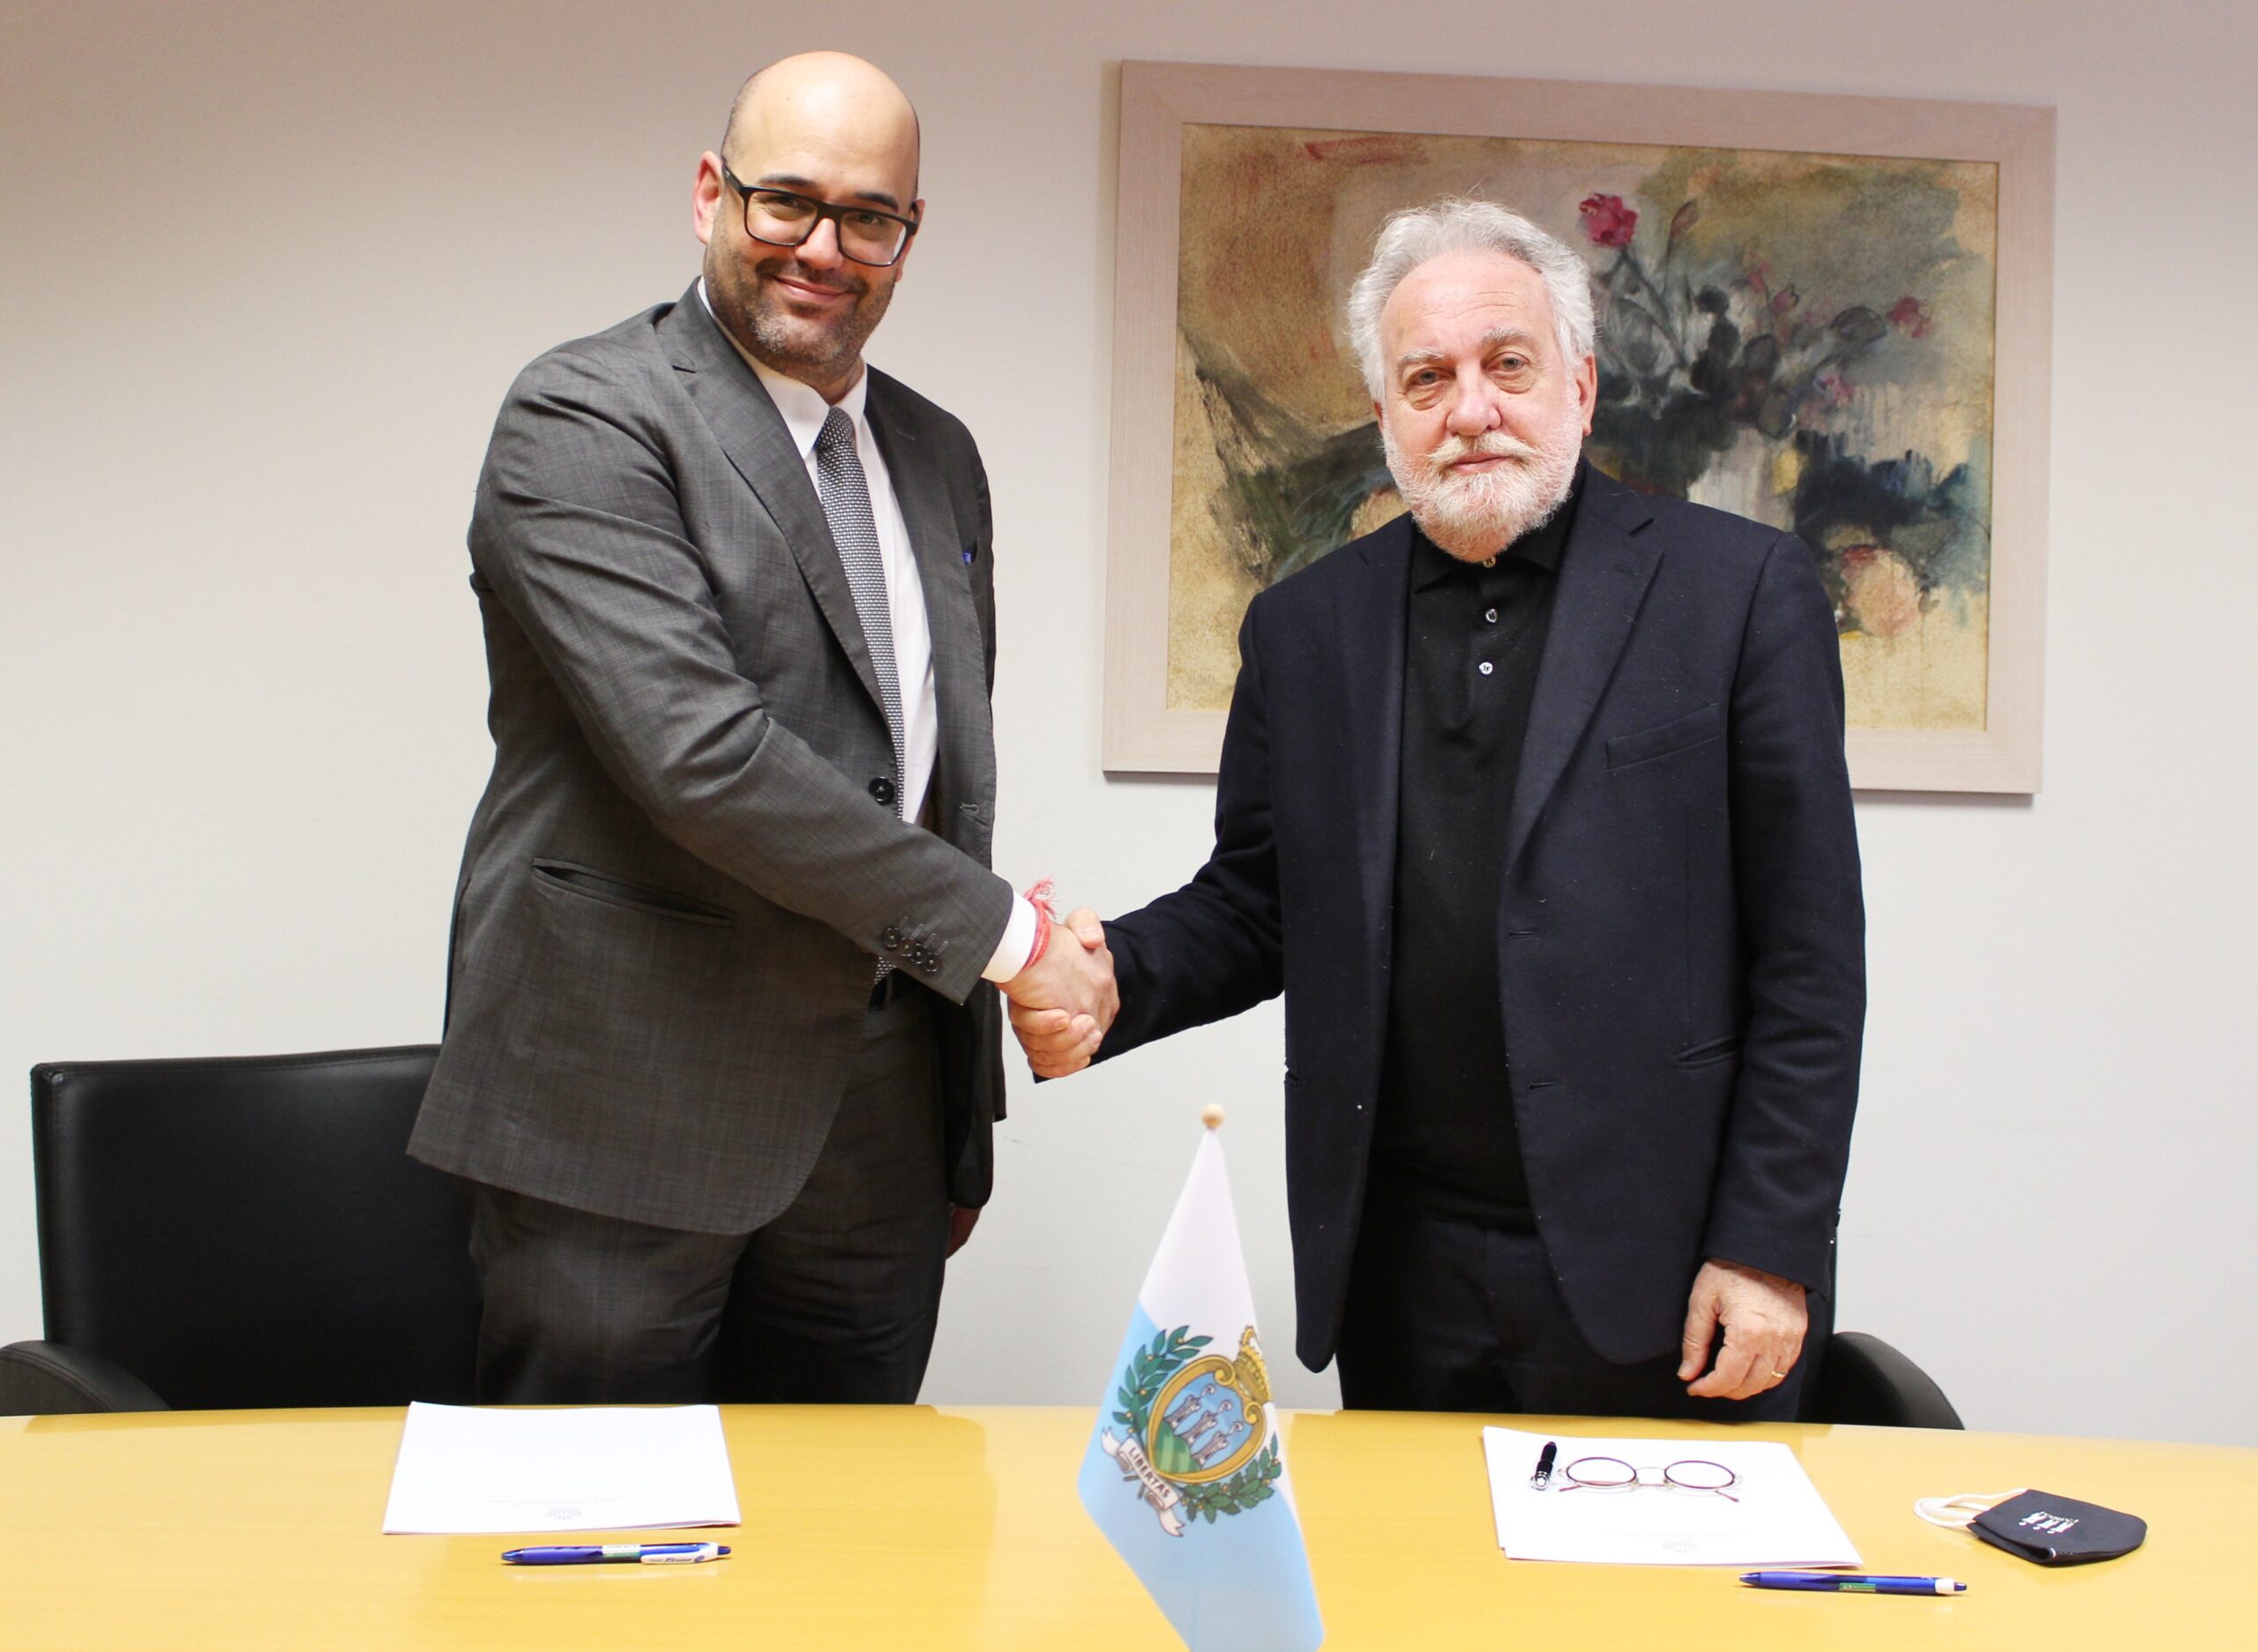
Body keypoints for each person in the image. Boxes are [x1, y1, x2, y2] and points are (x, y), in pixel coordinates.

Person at [1017, 199, 1864, 1420]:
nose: (1469, 410)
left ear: (1580, 385)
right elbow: (1258, 903)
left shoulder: (1738, 592)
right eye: (1427, 378)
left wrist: (1769, 1245)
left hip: (1668, 1268)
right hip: (1400, 1274)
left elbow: (1810, 958)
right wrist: (1111, 980)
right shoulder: (1304, 629)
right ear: (1386, 416)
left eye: (1506, 365)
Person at [410, 51, 1112, 1406]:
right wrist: (1019, 947)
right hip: (625, 1108)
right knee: (600, 1524)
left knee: (850, 1522)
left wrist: (955, 1116)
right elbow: (703, 759)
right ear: (708, 194)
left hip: (881, 1127)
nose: (822, 249)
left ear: (910, 233)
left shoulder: (939, 454)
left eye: (868, 216)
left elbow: (935, 784)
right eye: (785, 200)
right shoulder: (586, 414)